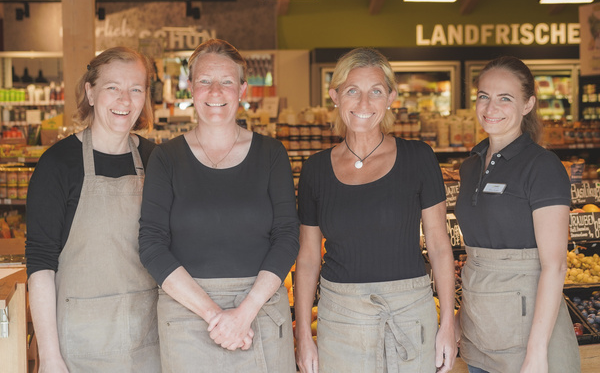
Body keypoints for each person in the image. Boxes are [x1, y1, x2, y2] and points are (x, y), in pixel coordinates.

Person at [138, 38, 299, 373]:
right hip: (188, 313)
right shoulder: (165, 158)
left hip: (260, 312)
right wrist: (216, 316)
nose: (215, 91)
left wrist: (244, 313)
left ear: (242, 89)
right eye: (204, 81)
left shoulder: (272, 154)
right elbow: (152, 246)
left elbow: (287, 237)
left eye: (226, 81)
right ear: (190, 88)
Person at [294, 48, 457, 373]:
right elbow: (308, 258)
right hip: (340, 318)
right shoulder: (315, 169)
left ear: (391, 97)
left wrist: (448, 325)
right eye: (352, 90)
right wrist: (302, 334)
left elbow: (440, 246)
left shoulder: (419, 158)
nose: (364, 103)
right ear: (335, 96)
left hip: (410, 314)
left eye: (376, 91)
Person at [26, 47, 160, 372]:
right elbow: (41, 265)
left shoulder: (157, 161)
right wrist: (50, 357)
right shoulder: (58, 164)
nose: (124, 100)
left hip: (147, 342)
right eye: (113, 87)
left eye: (136, 89)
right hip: (79, 347)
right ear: (90, 92)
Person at [454, 56, 581, 373]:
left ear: (528, 104)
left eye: (505, 98)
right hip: (478, 331)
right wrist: (458, 319)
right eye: (484, 96)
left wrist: (537, 352)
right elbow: (477, 259)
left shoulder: (542, 167)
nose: (490, 107)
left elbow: (555, 265)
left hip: (528, 337)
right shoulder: (470, 166)